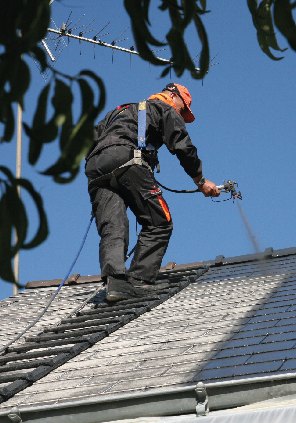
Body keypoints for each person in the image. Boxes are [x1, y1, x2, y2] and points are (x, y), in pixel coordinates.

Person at [85, 83, 220, 302]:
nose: (181, 115)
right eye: (183, 109)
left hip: (96, 168)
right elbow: (183, 147)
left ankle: (116, 283)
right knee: (160, 222)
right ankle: (140, 280)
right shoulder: (163, 108)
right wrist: (201, 181)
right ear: (174, 96)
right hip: (128, 160)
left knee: (113, 225)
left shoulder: (118, 111)